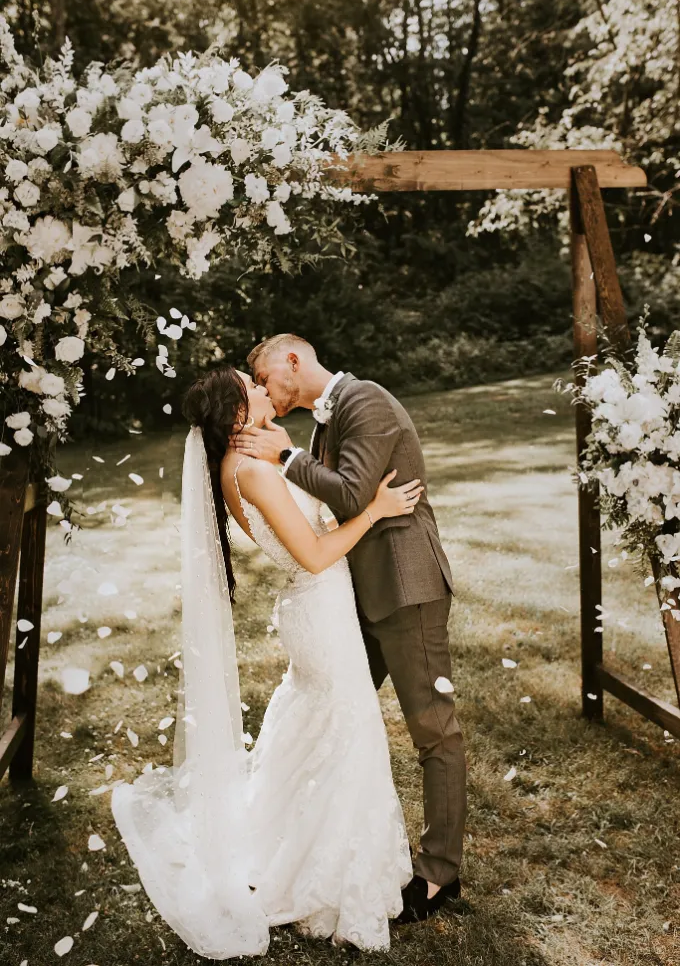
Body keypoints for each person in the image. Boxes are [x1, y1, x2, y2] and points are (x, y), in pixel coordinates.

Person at [111, 365, 422, 958]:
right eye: (250, 388)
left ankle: (280, 840)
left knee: (313, 726)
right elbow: (313, 553)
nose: (262, 389)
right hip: (320, 610)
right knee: (347, 731)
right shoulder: (251, 470)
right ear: (236, 417)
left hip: (312, 612)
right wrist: (376, 510)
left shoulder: (244, 465)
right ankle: (323, 878)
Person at [231, 333, 467, 923]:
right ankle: (309, 852)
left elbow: (354, 493)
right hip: (358, 596)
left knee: (433, 730)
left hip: (405, 589)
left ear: (293, 360)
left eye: (263, 378)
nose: (263, 391)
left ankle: (440, 874)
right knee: (334, 715)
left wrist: (286, 458)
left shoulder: (367, 402)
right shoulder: (323, 423)